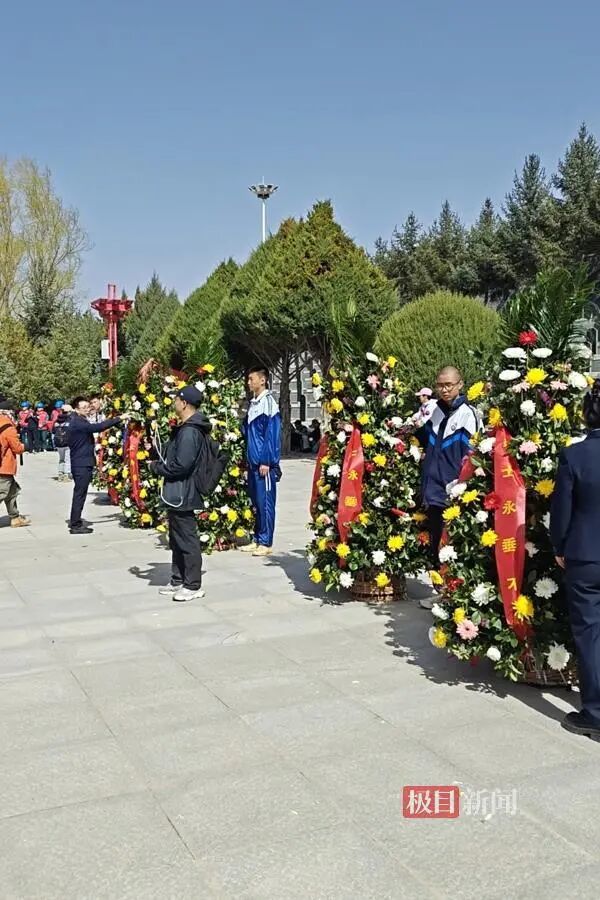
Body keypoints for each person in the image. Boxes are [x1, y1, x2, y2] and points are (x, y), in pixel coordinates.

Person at [551, 379, 600, 739]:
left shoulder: (575, 455)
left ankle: (595, 712)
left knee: (589, 632)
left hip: (585, 555)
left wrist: (559, 547)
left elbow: (562, 511)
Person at [418, 366, 480, 604]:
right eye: (440, 385)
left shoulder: (469, 415)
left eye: (449, 385)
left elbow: (473, 455)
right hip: (432, 491)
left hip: (454, 493)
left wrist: (462, 486)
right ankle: (440, 594)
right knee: (435, 544)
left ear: (460, 384)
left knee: (452, 546)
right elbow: (424, 439)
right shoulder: (434, 412)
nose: (444, 389)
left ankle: (454, 596)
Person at [151, 385, 211, 602]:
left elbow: (181, 466)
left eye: (176, 399)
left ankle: (193, 584)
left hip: (185, 490)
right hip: (177, 491)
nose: (173, 403)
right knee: (176, 537)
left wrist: (156, 468)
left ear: (184, 402)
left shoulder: (190, 431)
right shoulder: (184, 428)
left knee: (187, 538)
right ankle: (178, 579)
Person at [68, 396, 123, 535]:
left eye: (88, 407)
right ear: (76, 409)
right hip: (81, 464)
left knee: (80, 493)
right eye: (84, 407)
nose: (87, 409)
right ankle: (75, 524)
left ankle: (76, 520)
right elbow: (98, 427)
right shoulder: (78, 422)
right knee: (79, 494)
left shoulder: (78, 420)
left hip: (81, 462)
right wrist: (119, 418)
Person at [242, 365, 281, 557]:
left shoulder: (269, 404)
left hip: (264, 465)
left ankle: (266, 541)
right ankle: (257, 538)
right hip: (252, 463)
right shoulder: (254, 403)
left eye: (252, 379)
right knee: (256, 502)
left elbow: (271, 435)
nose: (249, 382)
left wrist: (267, 460)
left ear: (263, 380)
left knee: (266, 502)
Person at [0, 397, 30, 528]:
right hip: (4, 466)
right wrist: (25, 446)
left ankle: (15, 517)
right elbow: (17, 448)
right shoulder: (7, 426)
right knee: (3, 492)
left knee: (12, 491)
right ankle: (15, 517)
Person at [54, 404, 73, 482]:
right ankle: (66, 475)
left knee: (61, 459)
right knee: (68, 459)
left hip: (58, 443)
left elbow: (53, 431)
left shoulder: (57, 420)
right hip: (67, 443)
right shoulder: (70, 420)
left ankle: (60, 474)